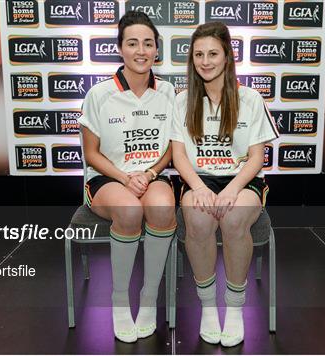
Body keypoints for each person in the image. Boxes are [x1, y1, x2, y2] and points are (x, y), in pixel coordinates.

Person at [170, 22, 278, 347]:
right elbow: (178, 156)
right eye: (199, 54)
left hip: (242, 182)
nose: (205, 61)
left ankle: (234, 308)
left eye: (213, 53)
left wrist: (232, 189)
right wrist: (199, 188)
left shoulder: (250, 98)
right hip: (198, 180)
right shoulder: (182, 100)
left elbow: (257, 158)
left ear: (228, 56)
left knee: (232, 220)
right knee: (199, 220)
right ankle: (207, 306)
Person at [77, 11, 176, 343]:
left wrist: (149, 172)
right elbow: (91, 153)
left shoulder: (169, 92)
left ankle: (148, 298)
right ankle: (120, 299)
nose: (141, 50)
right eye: (132, 43)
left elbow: (172, 149)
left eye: (148, 44)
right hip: (109, 178)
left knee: (163, 209)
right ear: (119, 48)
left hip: (152, 175)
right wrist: (124, 177)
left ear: (157, 50)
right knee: (130, 211)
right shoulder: (99, 94)